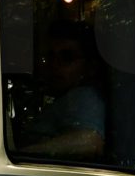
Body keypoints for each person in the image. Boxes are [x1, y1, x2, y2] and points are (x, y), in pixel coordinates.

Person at [15, 22, 107, 161]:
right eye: (51, 56)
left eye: (67, 58)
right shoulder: (66, 99)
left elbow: (90, 142)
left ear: (90, 67)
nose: (54, 65)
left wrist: (22, 154)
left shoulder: (84, 97)